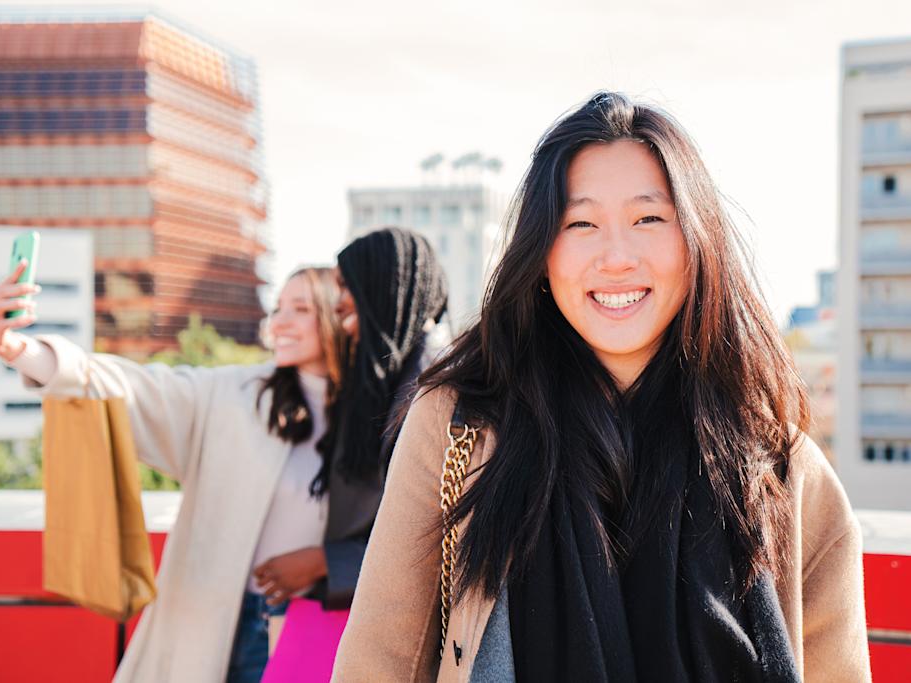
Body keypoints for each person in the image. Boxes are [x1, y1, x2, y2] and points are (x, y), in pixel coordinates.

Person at [333, 92, 871, 682]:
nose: (616, 258)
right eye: (581, 223)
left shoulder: (779, 466)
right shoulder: (458, 425)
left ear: (698, 241)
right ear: (541, 251)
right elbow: (380, 659)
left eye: (649, 219)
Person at [0, 265, 347, 682]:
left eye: (301, 309)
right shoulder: (236, 395)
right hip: (216, 622)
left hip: (315, 627)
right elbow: (129, 387)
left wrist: (323, 562)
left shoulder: (374, 415)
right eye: (278, 307)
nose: (279, 322)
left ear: (341, 316)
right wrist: (16, 348)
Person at [315, 226, 451, 609]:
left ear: (386, 287)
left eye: (347, 286)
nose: (338, 304)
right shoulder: (391, 377)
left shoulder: (438, 389)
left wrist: (326, 563)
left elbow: (436, 544)